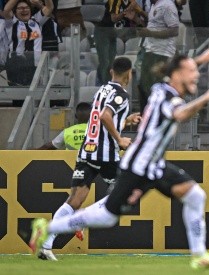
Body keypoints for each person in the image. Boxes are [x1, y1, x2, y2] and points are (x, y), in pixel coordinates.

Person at [29, 49, 209, 269]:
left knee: (195, 195)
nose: (196, 76)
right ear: (178, 75)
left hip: (154, 165)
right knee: (107, 216)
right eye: (192, 71)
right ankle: (49, 228)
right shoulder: (166, 97)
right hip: (138, 167)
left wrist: (201, 60)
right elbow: (180, 114)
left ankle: (198, 255)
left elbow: (179, 69)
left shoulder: (161, 87)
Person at [35, 57, 141, 261]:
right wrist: (120, 140)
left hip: (87, 150)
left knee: (74, 199)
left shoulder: (102, 90)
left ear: (111, 72)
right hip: (105, 153)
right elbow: (105, 117)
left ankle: (46, 245)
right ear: (129, 73)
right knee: (126, 192)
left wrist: (126, 121)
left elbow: (103, 119)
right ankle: (82, 219)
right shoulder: (121, 95)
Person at [137, 0, 179, 113]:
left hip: (162, 53)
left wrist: (150, 33)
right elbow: (153, 26)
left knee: (155, 88)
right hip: (150, 50)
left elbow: (174, 30)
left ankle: (157, 118)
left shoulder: (168, 5)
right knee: (143, 86)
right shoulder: (154, 5)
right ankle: (145, 118)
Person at [3, 0, 54, 87]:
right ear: (15, 12)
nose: (24, 10)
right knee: (19, 97)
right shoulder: (12, 23)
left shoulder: (37, 21)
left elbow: (50, 8)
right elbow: (6, 10)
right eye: (20, 8)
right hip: (16, 66)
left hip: (35, 66)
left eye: (27, 8)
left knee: (33, 97)